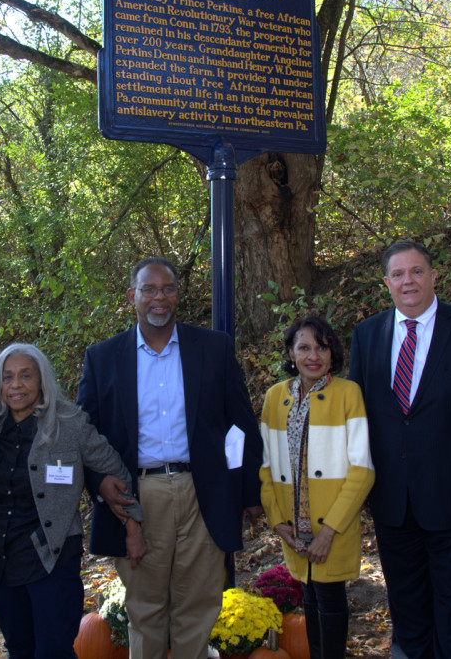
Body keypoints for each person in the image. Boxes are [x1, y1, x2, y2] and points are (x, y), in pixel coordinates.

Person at [76, 256, 263, 659]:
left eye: (167, 289)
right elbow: (84, 435)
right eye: (149, 290)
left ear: (178, 294)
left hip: (204, 492)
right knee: (146, 610)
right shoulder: (104, 357)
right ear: (132, 296)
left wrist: (250, 494)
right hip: (137, 497)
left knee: (199, 606)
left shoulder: (213, 348)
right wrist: (98, 484)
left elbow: (242, 423)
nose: (159, 298)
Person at [349, 240, 451, 659]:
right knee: (406, 607)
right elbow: (356, 419)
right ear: (386, 282)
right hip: (392, 498)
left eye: (417, 272)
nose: (409, 281)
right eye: (399, 274)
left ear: (433, 276)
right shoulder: (367, 335)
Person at [0, 343, 144, 659]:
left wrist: (133, 525)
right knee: (20, 648)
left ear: (41, 380)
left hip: (51, 557)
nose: (16, 385)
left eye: (26, 375)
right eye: (8, 377)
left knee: (54, 650)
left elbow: (113, 469)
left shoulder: (70, 422)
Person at [259, 315, 374, 659]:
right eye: (304, 347)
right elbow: (264, 466)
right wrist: (277, 521)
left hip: (333, 525)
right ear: (291, 354)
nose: (313, 355)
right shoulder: (275, 397)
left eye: (321, 347)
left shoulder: (347, 394)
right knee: (307, 595)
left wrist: (329, 531)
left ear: (332, 352)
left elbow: (363, 470)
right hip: (292, 526)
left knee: (329, 596)